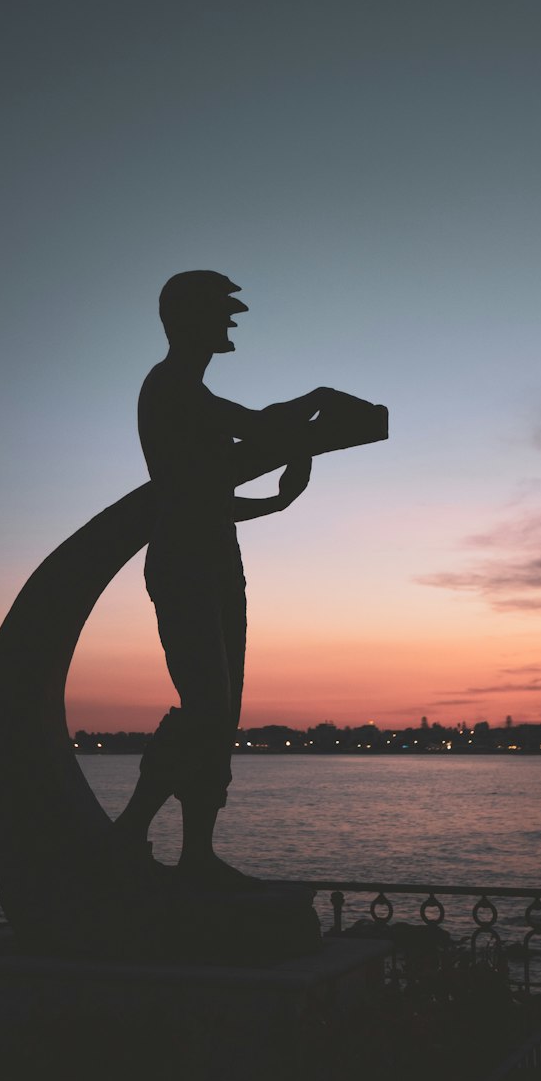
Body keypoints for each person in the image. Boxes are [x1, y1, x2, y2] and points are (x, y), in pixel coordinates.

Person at [114, 270, 366, 886]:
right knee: (207, 705)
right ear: (186, 320)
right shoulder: (170, 386)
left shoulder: (188, 392)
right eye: (220, 312)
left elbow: (213, 490)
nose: (230, 323)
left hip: (217, 556)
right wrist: (316, 402)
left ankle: (196, 853)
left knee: (221, 716)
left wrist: (276, 502)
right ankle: (130, 829)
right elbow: (254, 429)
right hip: (183, 561)